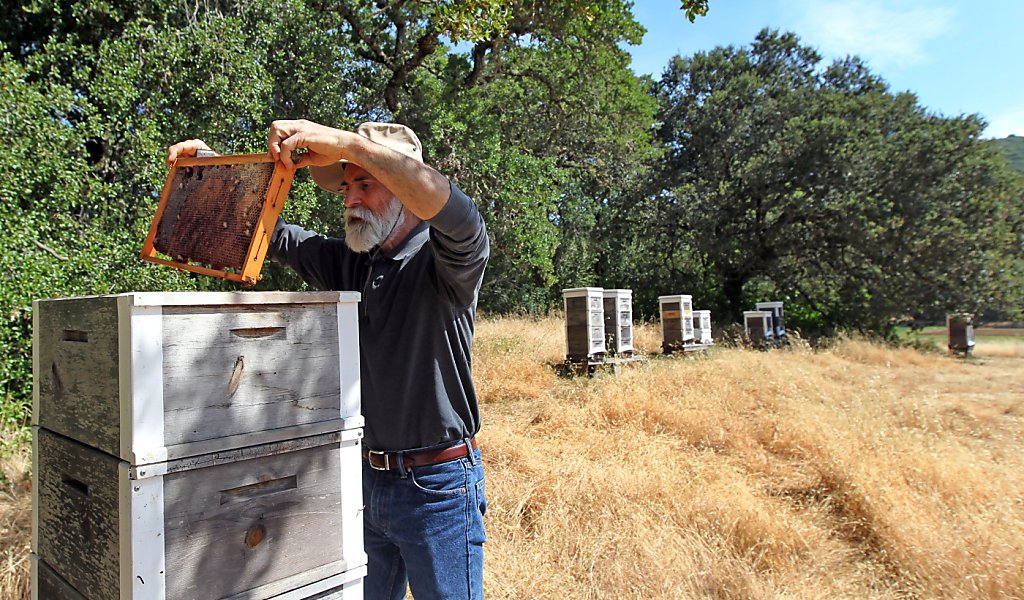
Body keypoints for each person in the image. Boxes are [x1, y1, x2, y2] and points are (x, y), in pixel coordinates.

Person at [166, 119, 490, 600]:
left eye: (365, 183)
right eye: (346, 187)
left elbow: (456, 212)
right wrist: (211, 169)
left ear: (403, 188)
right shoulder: (352, 261)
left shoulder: (449, 261)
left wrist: (347, 145)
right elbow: (271, 231)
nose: (350, 199)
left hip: (437, 489)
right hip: (363, 480)